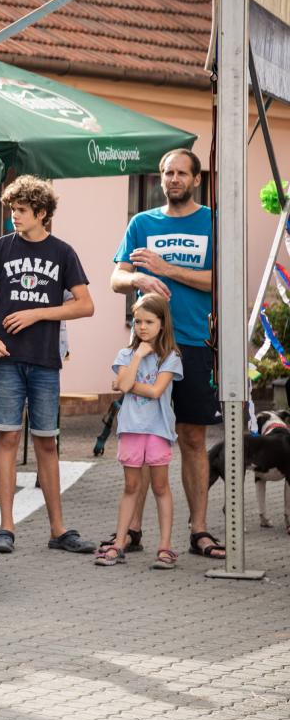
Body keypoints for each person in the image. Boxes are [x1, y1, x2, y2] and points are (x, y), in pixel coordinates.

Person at [0, 175, 96, 554]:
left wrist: (38, 313)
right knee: (7, 438)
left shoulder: (63, 253)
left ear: (41, 212)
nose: (14, 216)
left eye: (21, 210)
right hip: (6, 360)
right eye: (12, 209)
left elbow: (85, 305)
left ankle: (58, 530)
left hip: (44, 362)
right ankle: (5, 528)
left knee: (46, 443)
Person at [110, 148, 223, 560]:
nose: (174, 179)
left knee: (192, 437)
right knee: (143, 436)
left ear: (197, 179)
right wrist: (137, 278)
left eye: (181, 173)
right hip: (147, 347)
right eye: (168, 173)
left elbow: (222, 280)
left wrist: (165, 268)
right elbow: (115, 277)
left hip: (195, 342)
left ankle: (199, 530)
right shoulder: (142, 223)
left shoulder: (213, 221)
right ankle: (132, 530)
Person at [95, 294, 183, 569]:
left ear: (162, 323)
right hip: (131, 428)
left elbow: (155, 391)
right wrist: (138, 356)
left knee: (160, 487)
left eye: (149, 322)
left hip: (158, 430)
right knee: (131, 487)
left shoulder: (170, 357)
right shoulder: (126, 354)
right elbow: (124, 384)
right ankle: (119, 543)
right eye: (138, 322)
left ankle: (165, 547)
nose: (142, 327)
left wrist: (126, 383)